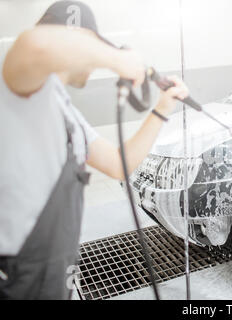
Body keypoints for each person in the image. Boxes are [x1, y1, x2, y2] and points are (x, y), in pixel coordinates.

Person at [0, 0, 189, 299]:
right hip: (20, 277)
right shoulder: (19, 87)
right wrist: (118, 58)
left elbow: (117, 164)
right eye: (88, 46)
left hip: (56, 271)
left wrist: (162, 109)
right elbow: (34, 44)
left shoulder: (63, 109)